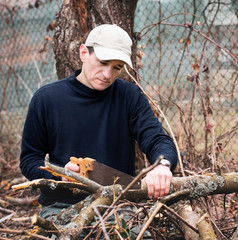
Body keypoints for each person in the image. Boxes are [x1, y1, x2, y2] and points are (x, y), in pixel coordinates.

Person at [19, 24, 178, 217]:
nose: (107, 75)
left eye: (117, 67)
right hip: (61, 206)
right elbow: (29, 159)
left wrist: (162, 165)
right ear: (84, 53)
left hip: (118, 205)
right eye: (103, 62)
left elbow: (157, 139)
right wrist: (60, 175)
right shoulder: (46, 99)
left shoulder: (129, 96)